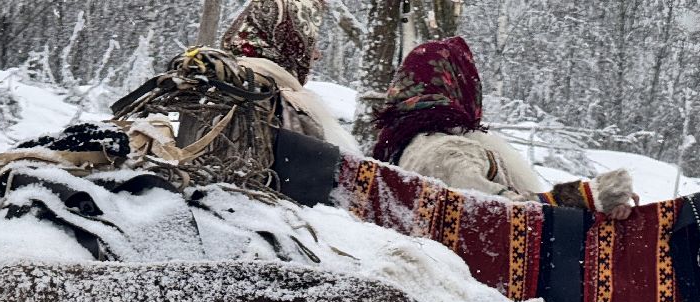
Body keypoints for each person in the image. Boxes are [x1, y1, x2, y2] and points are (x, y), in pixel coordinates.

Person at [373, 37, 637, 220]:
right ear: (457, 87)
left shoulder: (400, 152)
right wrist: (594, 197)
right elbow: (507, 214)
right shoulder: (446, 152)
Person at [220, 0, 359, 153]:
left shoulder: (221, 83)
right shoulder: (282, 106)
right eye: (311, 41)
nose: (318, 55)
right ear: (293, 38)